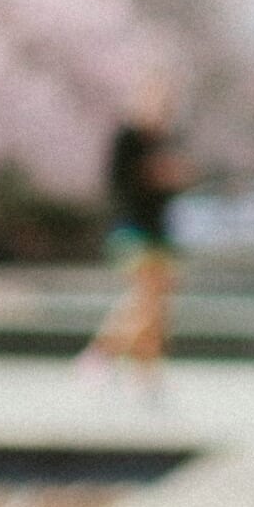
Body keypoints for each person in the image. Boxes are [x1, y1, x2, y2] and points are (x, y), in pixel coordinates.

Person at [78, 76, 192, 395]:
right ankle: (100, 354)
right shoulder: (128, 138)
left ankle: (146, 372)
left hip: (161, 232)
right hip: (131, 229)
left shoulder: (166, 139)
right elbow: (119, 182)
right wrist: (153, 175)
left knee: (157, 306)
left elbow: (171, 188)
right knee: (146, 300)